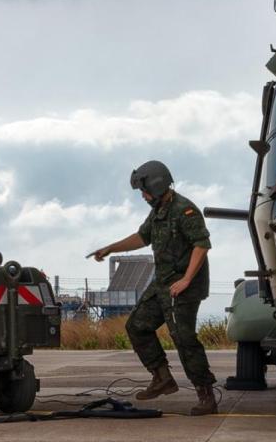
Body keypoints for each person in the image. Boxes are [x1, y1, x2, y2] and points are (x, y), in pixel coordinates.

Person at [89, 160, 218, 416]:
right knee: (137, 325)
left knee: (183, 338)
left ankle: (206, 395)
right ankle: (162, 378)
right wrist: (110, 248)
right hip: (163, 283)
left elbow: (201, 244)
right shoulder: (159, 210)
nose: (143, 196)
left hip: (183, 287)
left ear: (157, 187)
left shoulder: (184, 210)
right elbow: (141, 237)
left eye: (144, 191)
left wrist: (186, 280)